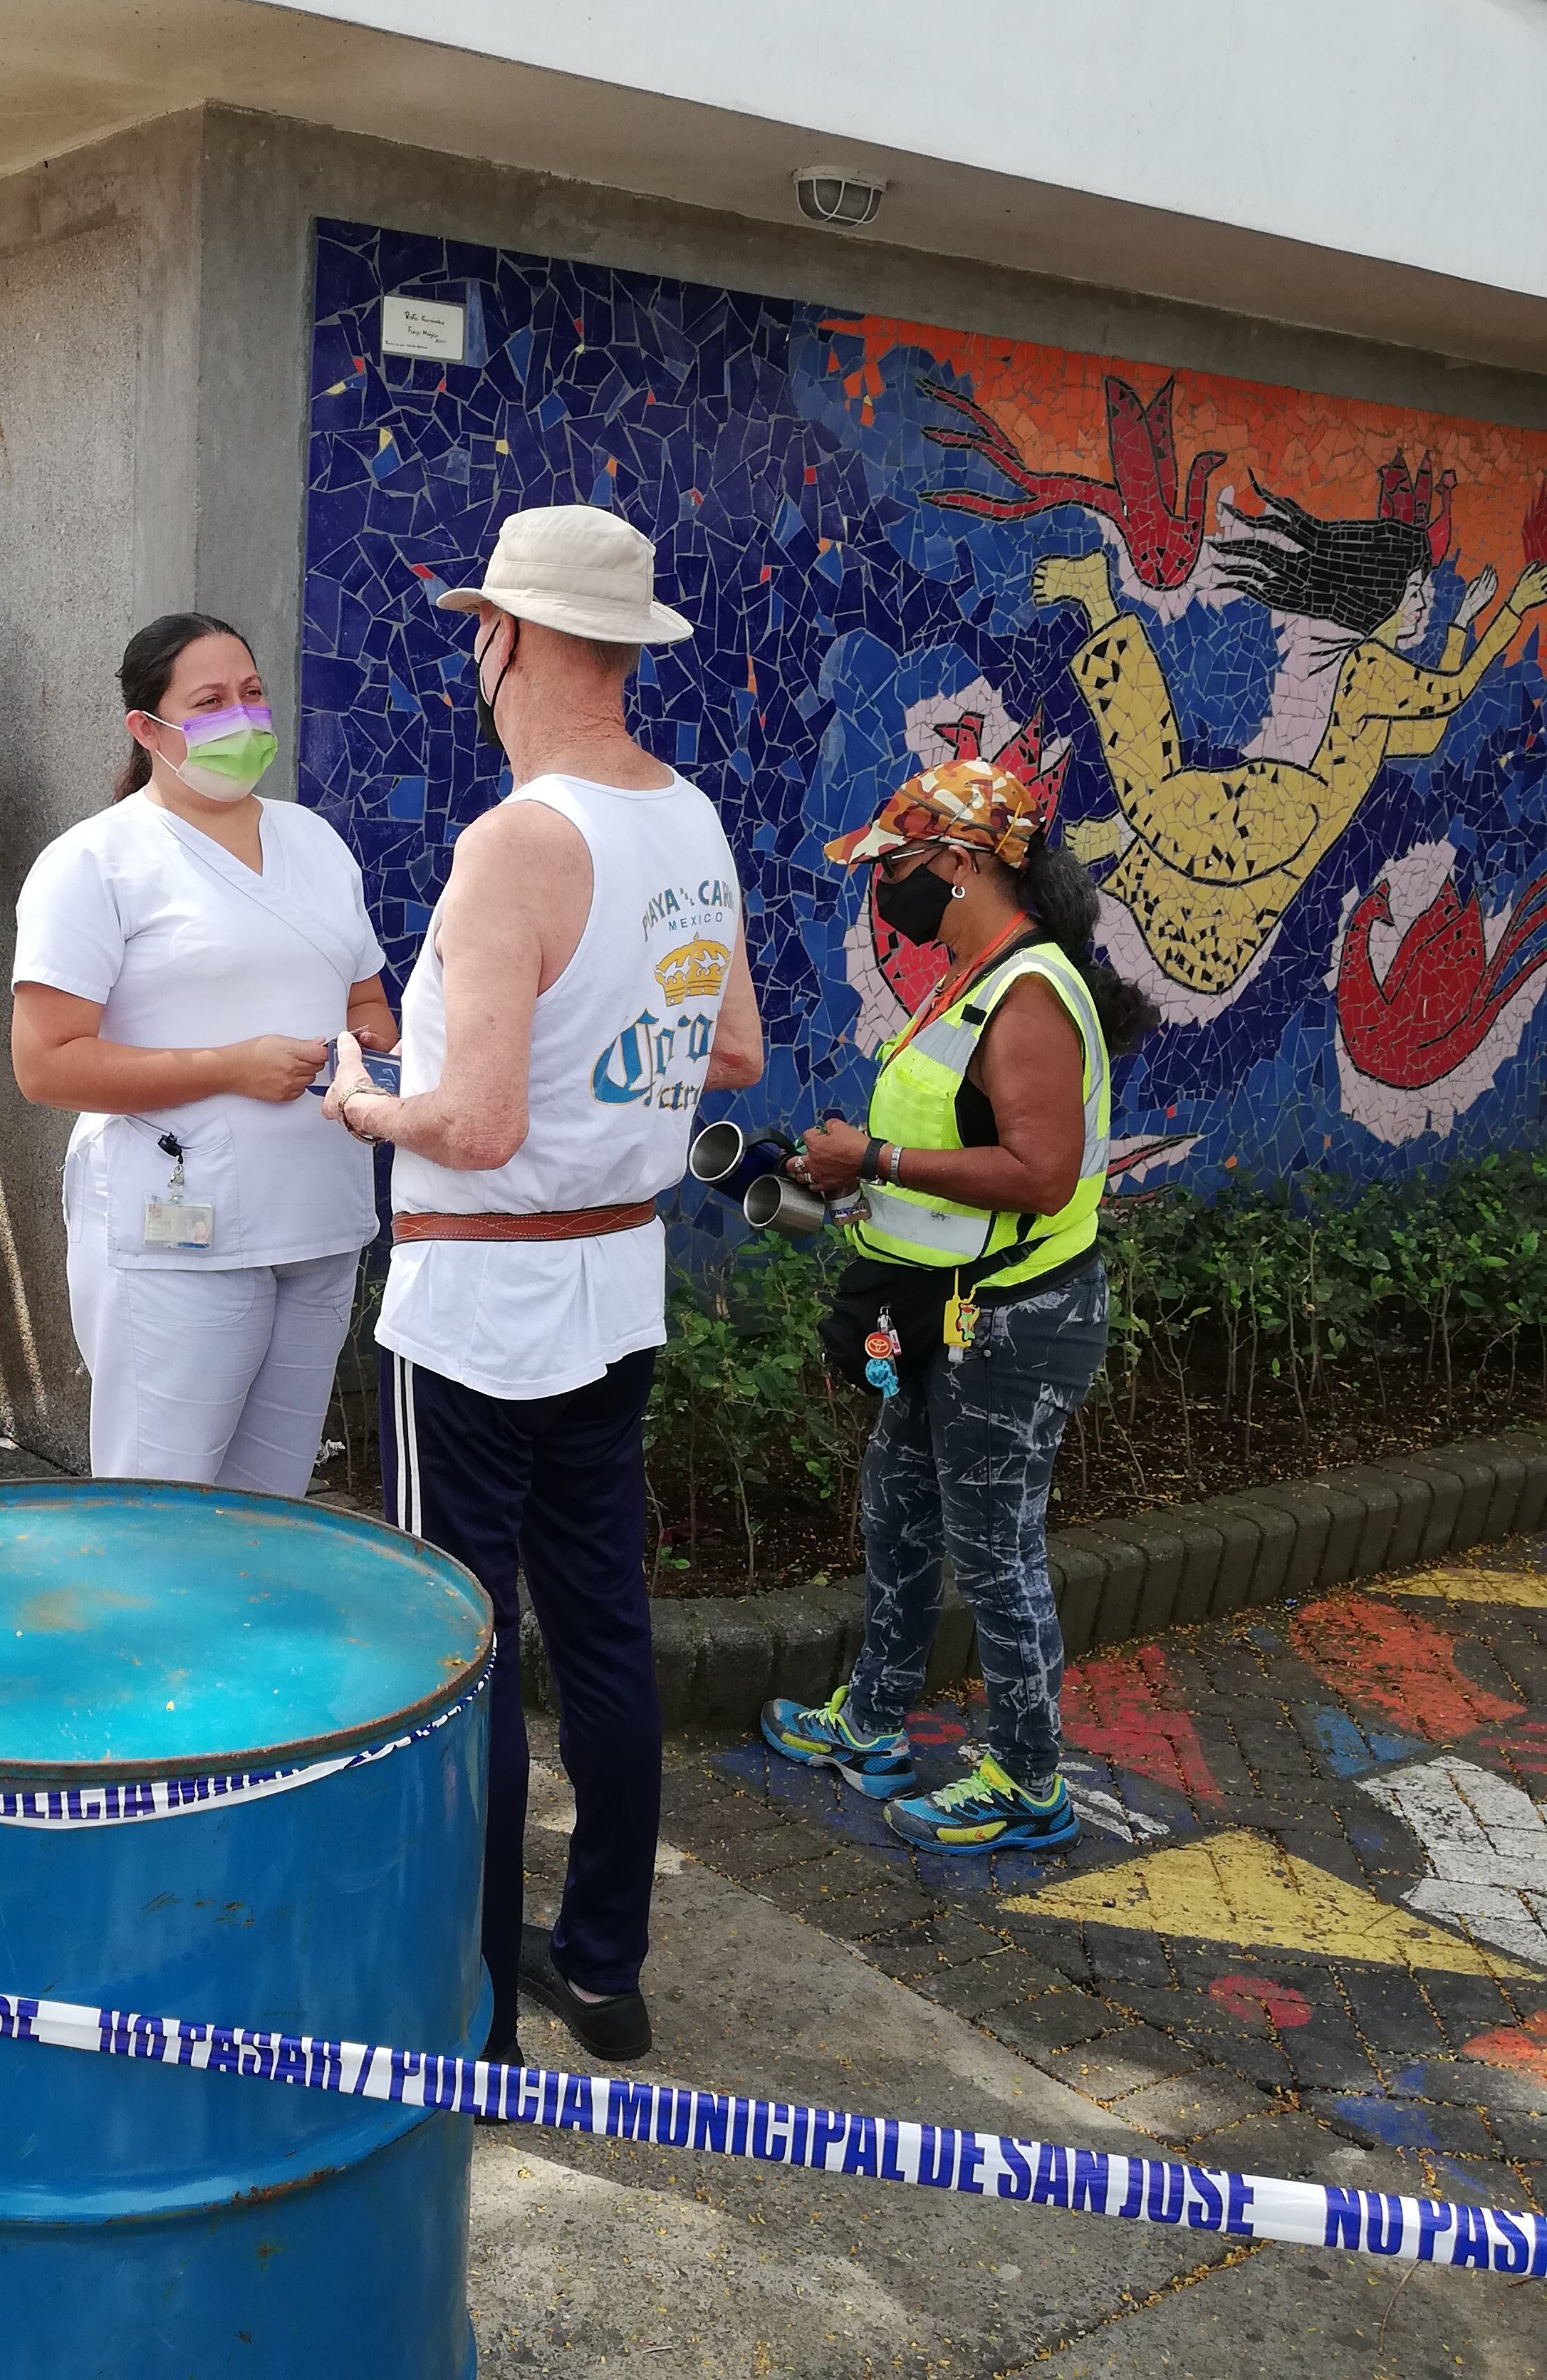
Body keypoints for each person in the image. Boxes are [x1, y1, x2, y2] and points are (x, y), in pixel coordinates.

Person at [322, 505, 763, 2066]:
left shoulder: (517, 840)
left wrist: (367, 1100)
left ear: (509, 635)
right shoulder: (693, 822)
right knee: (606, 1635)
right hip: (613, 1288)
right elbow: (735, 1052)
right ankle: (604, 1966)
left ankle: (473, 2009)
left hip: (474, 1300)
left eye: (479, 629)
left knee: (465, 1648)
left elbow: (480, 1120)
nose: (473, 652)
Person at [761, 759, 1160, 1853]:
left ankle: (1032, 1781)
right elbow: (959, 1137)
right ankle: (874, 1721)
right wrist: (854, 1171)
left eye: (896, 867)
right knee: (898, 1514)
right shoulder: (972, 974)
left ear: (962, 861)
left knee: (995, 1550)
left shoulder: (1028, 993)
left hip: (1014, 1325)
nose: (884, 889)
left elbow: (1040, 1171)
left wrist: (878, 1155)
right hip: (941, 1310)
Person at [11, 613, 395, 1494]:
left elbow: (366, 1000)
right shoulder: (95, 863)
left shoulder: (316, 843)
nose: (243, 718)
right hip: (178, 1234)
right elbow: (46, 1064)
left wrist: (372, 1055)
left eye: (253, 694)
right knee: (162, 1504)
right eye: (211, 701)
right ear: (147, 729)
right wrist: (231, 1067)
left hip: (319, 1219)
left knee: (274, 1501)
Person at [1038, 499, 1547, 1010]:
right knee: (1155, 794)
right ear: (1384, 592)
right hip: (1291, 807)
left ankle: (1128, 841)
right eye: (1415, 590)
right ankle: (1097, 597)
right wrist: (1512, 609)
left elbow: (1430, 734)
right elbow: (1452, 692)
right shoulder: (1371, 665)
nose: (1424, 604)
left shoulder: (1374, 671)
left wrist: (1459, 627)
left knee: (1210, 946)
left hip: (1304, 831)